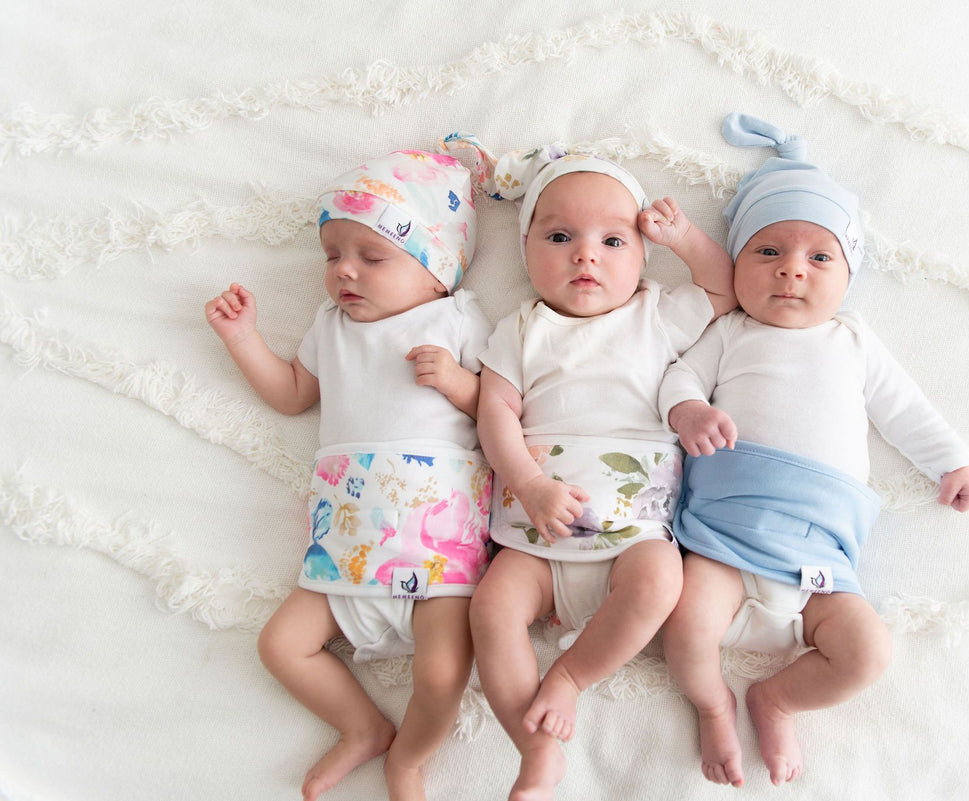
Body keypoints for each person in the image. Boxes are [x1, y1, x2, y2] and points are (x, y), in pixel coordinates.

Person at [658, 113, 969, 788]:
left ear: (848, 271)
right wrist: (688, 410)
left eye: (818, 257)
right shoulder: (731, 331)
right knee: (685, 629)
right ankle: (712, 701)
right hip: (723, 539)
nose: (791, 273)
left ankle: (776, 698)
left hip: (819, 557)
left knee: (866, 651)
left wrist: (950, 459)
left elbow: (903, 408)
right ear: (738, 262)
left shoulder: (853, 341)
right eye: (767, 252)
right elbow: (679, 376)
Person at [453, 135, 736, 801]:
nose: (585, 253)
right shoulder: (520, 328)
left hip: (630, 534)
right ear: (525, 252)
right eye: (558, 236)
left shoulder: (655, 314)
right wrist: (528, 482)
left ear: (642, 256)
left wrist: (686, 237)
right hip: (535, 532)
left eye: (613, 240)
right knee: (491, 609)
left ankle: (572, 677)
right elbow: (495, 412)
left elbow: (723, 287)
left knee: (661, 580)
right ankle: (537, 752)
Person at [204, 148, 491, 801]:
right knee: (281, 645)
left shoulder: (456, 318)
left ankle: (409, 760)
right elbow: (293, 393)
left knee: (443, 671)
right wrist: (243, 338)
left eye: (372, 255)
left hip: (434, 546)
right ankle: (362, 726)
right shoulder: (330, 328)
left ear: (435, 270)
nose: (345, 272)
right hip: (344, 541)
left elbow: (505, 406)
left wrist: (458, 382)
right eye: (333, 255)